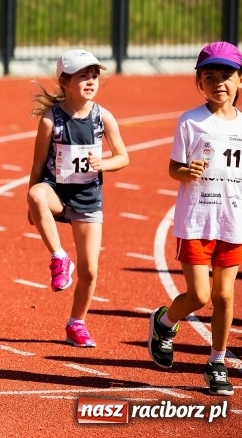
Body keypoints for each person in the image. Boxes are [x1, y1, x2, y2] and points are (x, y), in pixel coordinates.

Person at [148, 41, 242, 396]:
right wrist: (185, 172)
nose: (219, 82)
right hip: (198, 219)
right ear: (199, 83)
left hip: (233, 220)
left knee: (225, 296)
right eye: (210, 76)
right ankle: (165, 321)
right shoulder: (190, 121)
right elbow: (174, 168)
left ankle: (217, 362)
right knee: (200, 295)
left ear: (240, 81)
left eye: (227, 75)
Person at [27, 49, 129, 348]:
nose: (90, 81)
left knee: (89, 270)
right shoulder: (51, 120)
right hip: (57, 192)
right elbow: (36, 166)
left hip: (87, 198)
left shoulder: (103, 117)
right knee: (36, 193)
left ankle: (77, 323)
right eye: (82, 76)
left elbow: (123, 156)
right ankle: (59, 257)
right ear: (65, 81)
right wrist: (32, 205)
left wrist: (104, 163)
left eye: (94, 76)